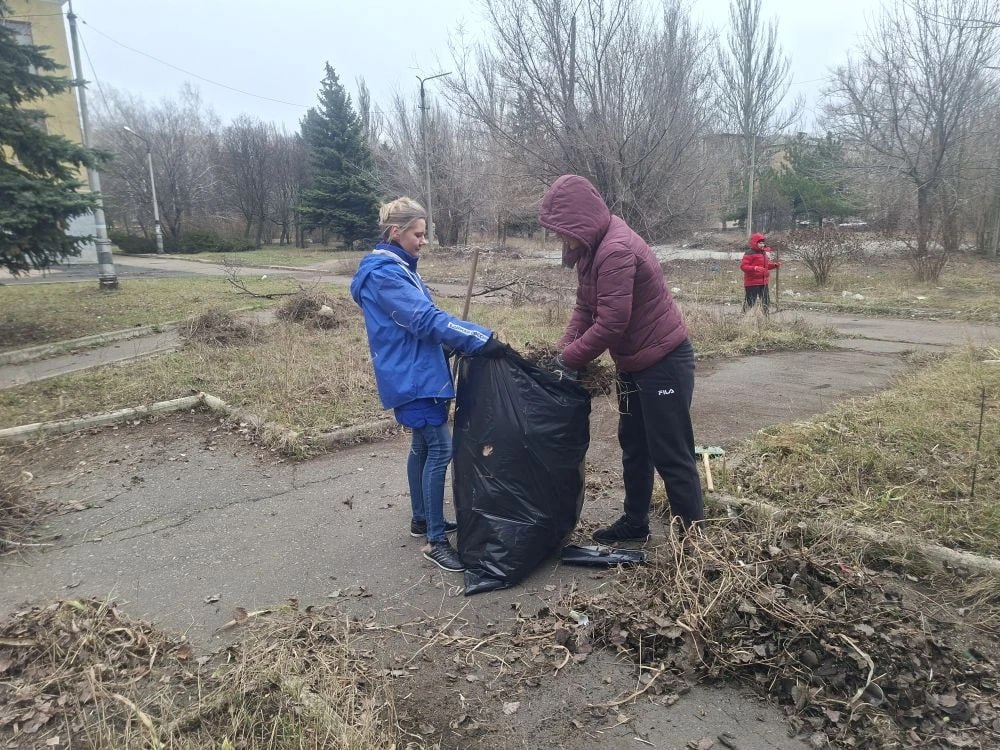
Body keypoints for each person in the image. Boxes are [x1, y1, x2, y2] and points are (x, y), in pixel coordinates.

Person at [539, 175, 703, 543]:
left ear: (579, 220)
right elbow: (585, 308)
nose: (559, 239)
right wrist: (561, 352)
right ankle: (635, 523)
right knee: (635, 446)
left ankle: (695, 544)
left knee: (671, 454)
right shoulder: (590, 249)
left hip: (664, 363)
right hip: (633, 364)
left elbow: (612, 322)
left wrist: (571, 358)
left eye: (561, 230)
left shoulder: (615, 249)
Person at [350, 197, 508, 572]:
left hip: (420, 370)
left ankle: (421, 518)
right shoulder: (384, 275)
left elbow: (424, 322)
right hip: (411, 377)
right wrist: (479, 339)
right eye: (418, 234)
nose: (423, 241)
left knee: (422, 446)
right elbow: (424, 318)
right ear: (396, 233)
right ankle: (436, 540)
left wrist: (454, 341)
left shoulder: (401, 268)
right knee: (440, 449)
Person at [741, 233, 780, 312]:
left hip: (764, 282)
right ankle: (744, 316)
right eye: (760, 243)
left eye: (763, 243)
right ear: (755, 243)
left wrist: (774, 265)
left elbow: (765, 267)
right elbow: (743, 267)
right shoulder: (749, 253)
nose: (762, 245)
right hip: (752, 283)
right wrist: (755, 268)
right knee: (750, 302)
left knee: (766, 302)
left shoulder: (763, 253)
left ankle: (765, 318)